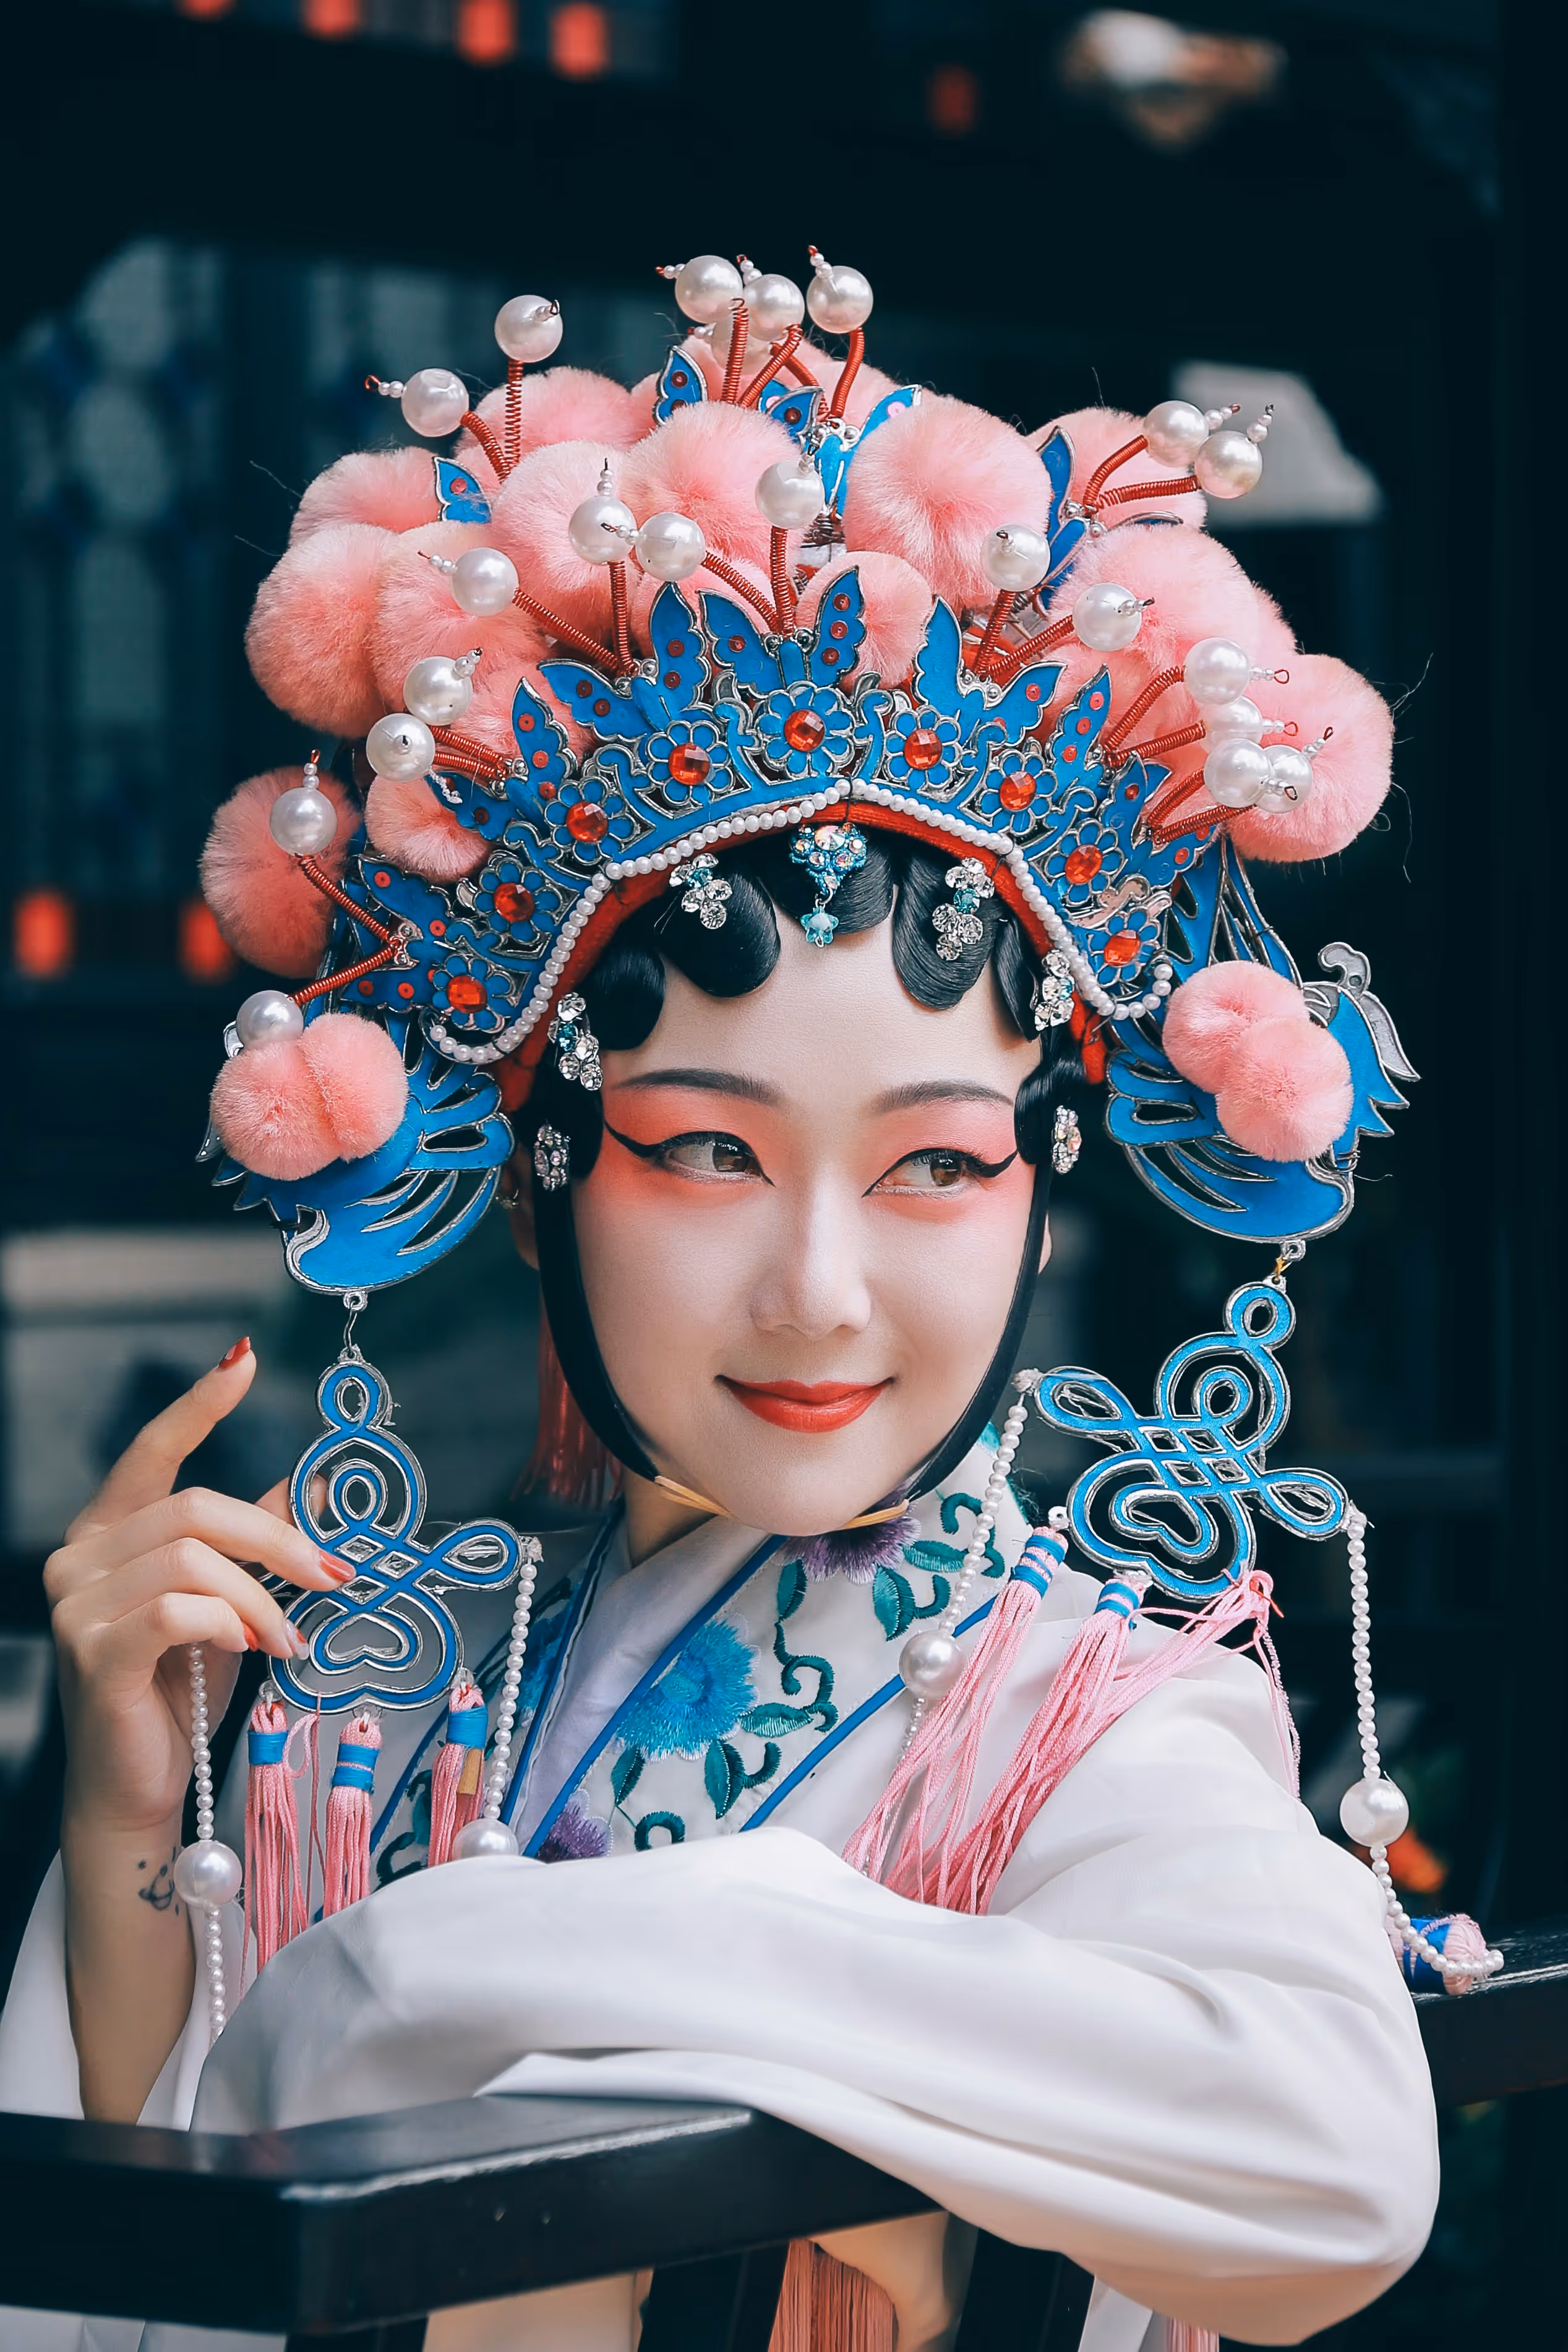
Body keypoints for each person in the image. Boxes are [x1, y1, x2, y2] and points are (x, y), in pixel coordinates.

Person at [0, 252, 1446, 2352]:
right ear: (540, 1176)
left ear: (1041, 1186)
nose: (823, 1292)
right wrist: (147, 1823)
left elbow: (1332, 2147)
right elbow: (131, 2297)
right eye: (703, 1150)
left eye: (939, 1164)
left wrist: (460, 1967)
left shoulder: (1086, 1736)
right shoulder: (377, 1686)